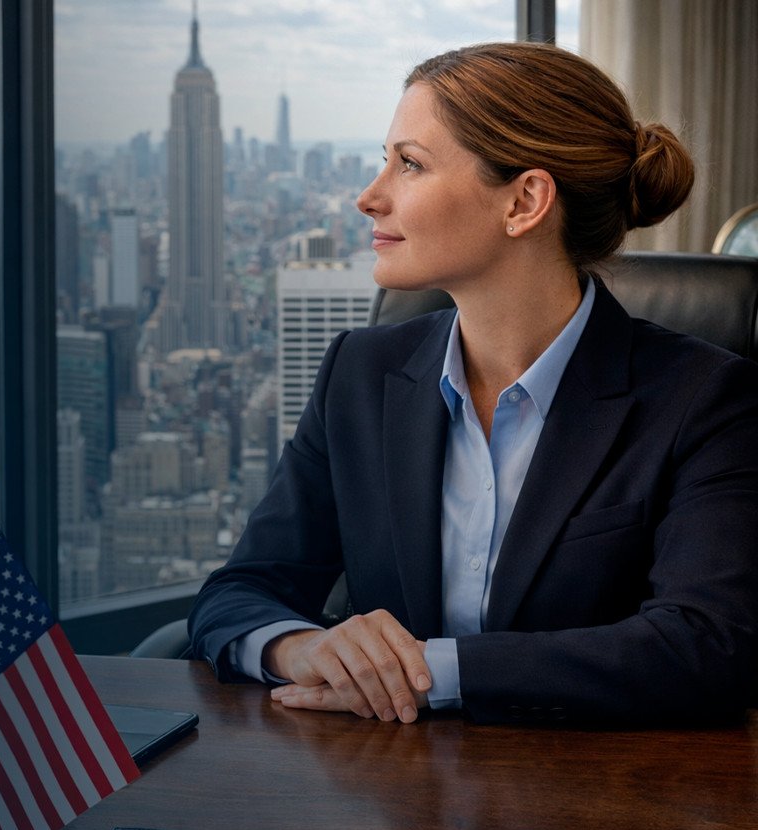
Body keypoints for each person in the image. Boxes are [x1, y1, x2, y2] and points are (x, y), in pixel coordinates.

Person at [188, 41, 758, 727]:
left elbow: (703, 644)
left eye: (411, 165)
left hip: (601, 809)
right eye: (385, 160)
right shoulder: (360, 376)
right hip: (391, 803)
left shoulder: (708, 399)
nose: (370, 197)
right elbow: (241, 591)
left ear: (524, 201)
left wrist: (427, 672)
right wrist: (301, 647)